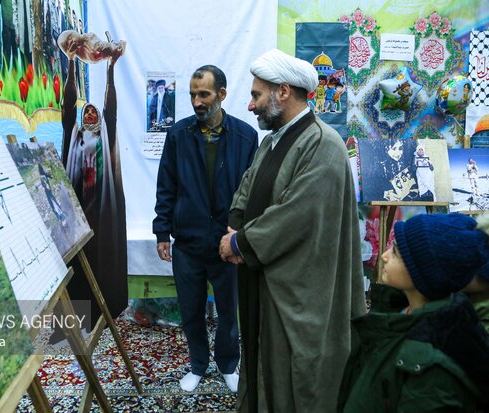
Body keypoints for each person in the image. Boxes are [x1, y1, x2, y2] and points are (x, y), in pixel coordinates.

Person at [219, 49, 366, 412]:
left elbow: (297, 215)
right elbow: (247, 188)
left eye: (256, 95)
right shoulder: (274, 140)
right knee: (261, 363)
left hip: (300, 290)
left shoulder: (323, 144)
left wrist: (240, 241)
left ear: (283, 92)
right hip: (265, 279)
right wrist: (233, 224)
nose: (250, 106)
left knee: (294, 374)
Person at [153, 65, 258, 392]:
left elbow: (251, 192)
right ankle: (198, 365)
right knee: (191, 311)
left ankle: (228, 364)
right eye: (193, 95)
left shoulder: (245, 137)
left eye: (204, 94)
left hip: (228, 245)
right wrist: (162, 231)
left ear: (222, 94)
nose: (197, 101)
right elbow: (166, 186)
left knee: (229, 313)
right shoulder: (178, 135)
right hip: (188, 244)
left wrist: (240, 238)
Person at [337, 213, 489, 412]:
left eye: (397, 252)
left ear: (426, 273)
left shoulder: (430, 366)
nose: (384, 255)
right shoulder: (402, 313)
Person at [60, 34, 127, 333]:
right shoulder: (72, 136)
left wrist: (110, 68)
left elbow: (110, 107)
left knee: (101, 260)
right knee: (79, 264)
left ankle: (104, 309)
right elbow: (67, 106)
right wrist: (71, 62)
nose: (89, 113)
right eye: (86, 111)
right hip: (77, 213)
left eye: (92, 111)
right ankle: (79, 312)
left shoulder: (105, 138)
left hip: (101, 212)